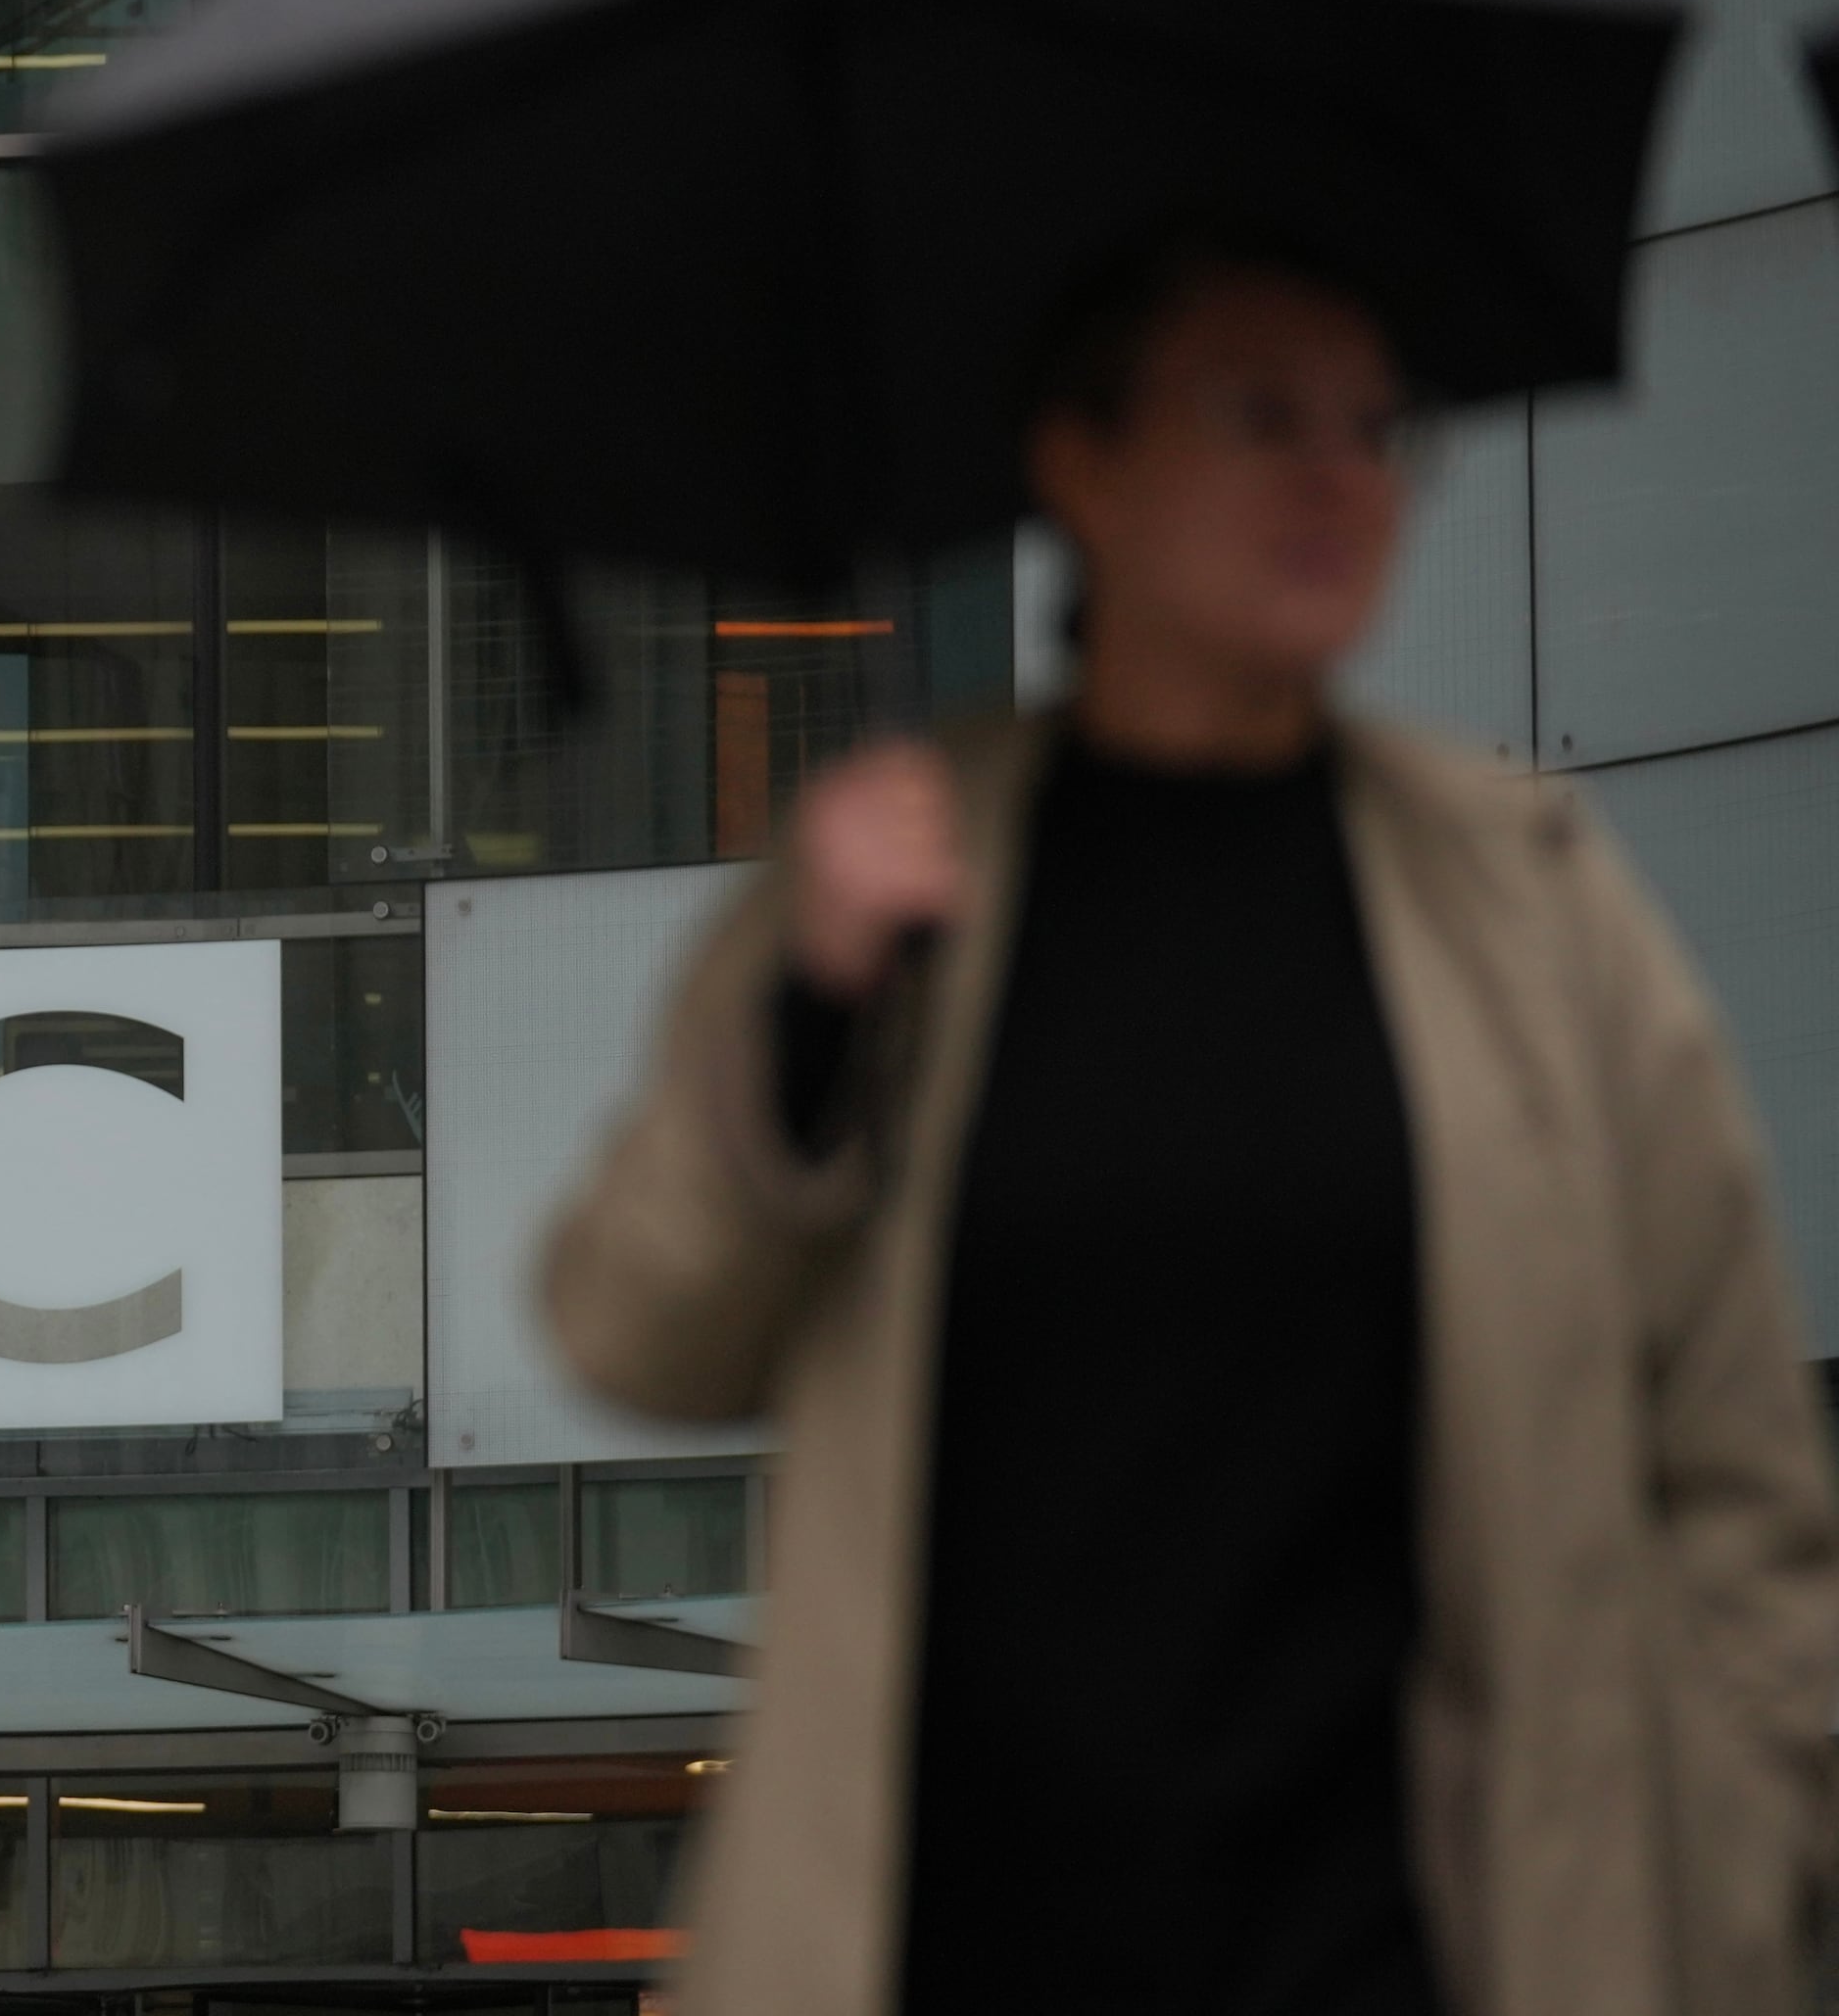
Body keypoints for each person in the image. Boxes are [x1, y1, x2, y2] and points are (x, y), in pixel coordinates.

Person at [542, 241, 1839, 2016]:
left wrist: (1739, 1891)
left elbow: (1746, 1481)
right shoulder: (905, 878)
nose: (1340, 475)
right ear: (1081, 465)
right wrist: (816, 1006)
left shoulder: (1529, 904)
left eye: (1381, 428)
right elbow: (636, 1330)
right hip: (958, 1954)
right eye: (1261, 413)